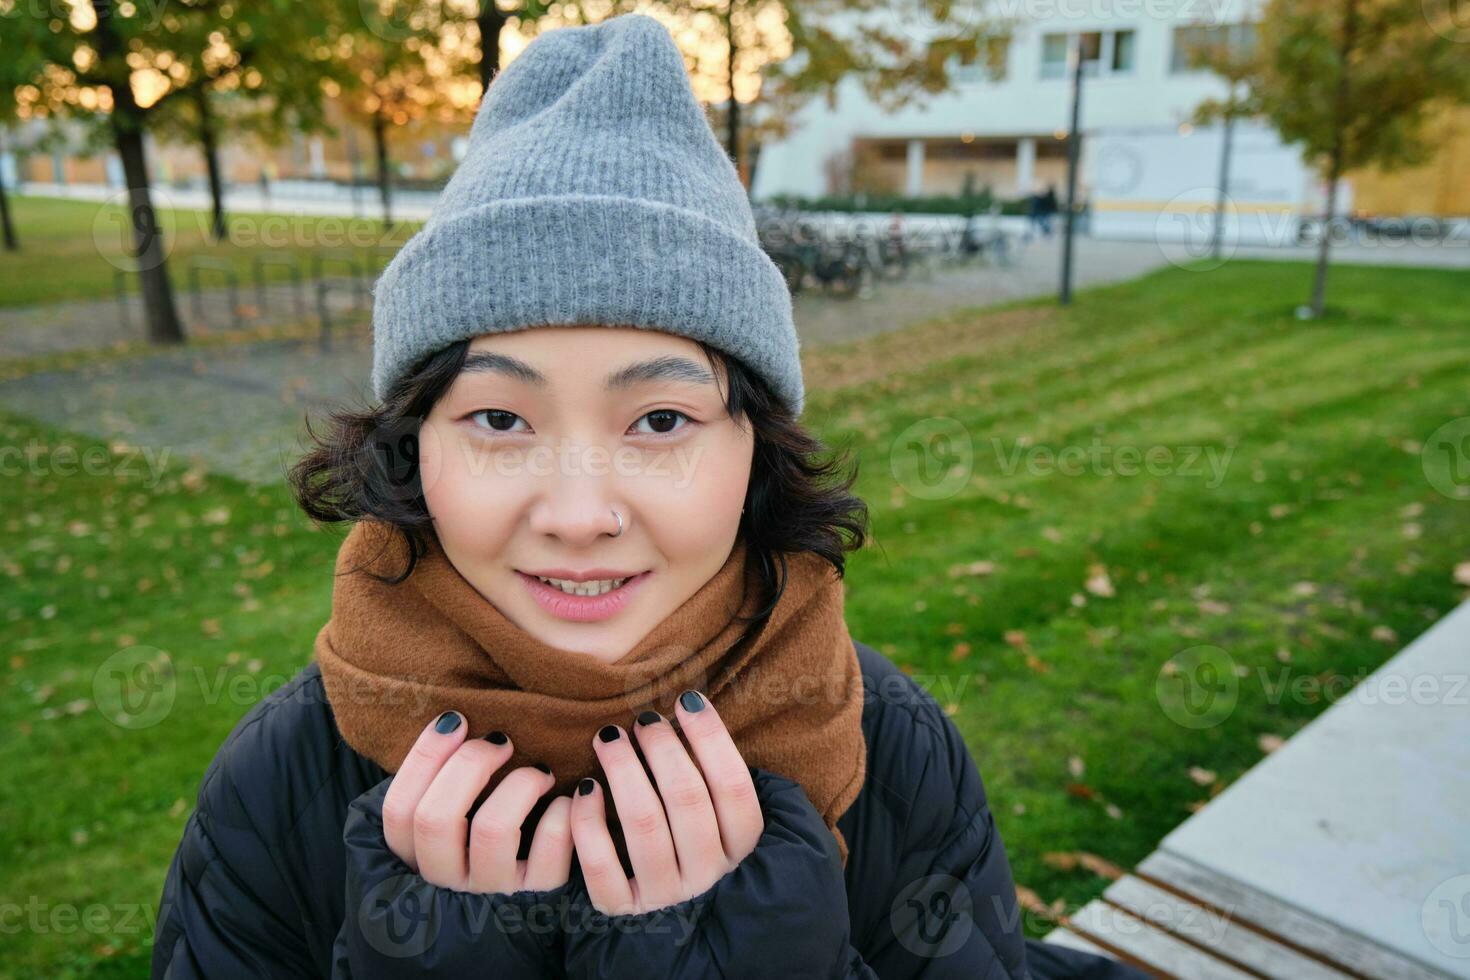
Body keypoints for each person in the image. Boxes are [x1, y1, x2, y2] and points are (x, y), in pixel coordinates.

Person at [151, 14, 1145, 979]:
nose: (579, 514)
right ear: (415, 448)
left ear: (754, 448)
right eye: (500, 419)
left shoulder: (891, 741)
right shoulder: (278, 782)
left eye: (660, 421)